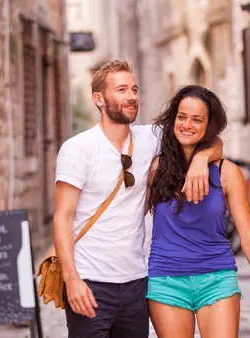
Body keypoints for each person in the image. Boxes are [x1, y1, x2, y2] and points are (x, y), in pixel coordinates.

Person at [52, 60, 223, 338]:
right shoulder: (77, 149)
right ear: (99, 99)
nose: (131, 96)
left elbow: (205, 137)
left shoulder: (150, 138)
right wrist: (72, 281)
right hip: (90, 282)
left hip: (135, 284)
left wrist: (203, 158)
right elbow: (62, 217)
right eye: (121, 90)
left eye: (134, 89)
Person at [146, 85, 250, 338]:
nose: (187, 125)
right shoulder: (155, 169)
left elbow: (249, 235)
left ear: (208, 126)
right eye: (182, 117)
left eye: (197, 119)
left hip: (217, 279)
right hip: (166, 280)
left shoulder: (227, 172)